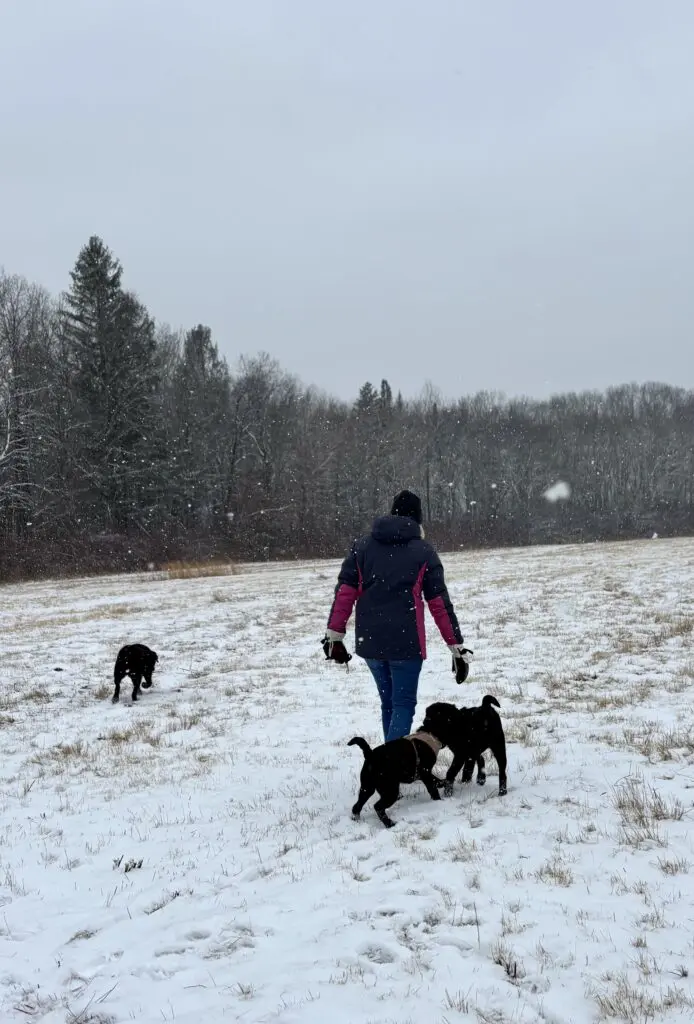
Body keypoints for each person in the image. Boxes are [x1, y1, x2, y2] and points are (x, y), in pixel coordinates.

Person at [323, 489, 471, 742]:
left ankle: (386, 763)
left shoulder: (363, 546)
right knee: (402, 704)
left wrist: (334, 635)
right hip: (406, 642)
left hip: (370, 641)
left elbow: (345, 592)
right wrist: (456, 647)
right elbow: (438, 603)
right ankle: (390, 766)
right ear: (418, 518)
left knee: (388, 703)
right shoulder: (423, 551)